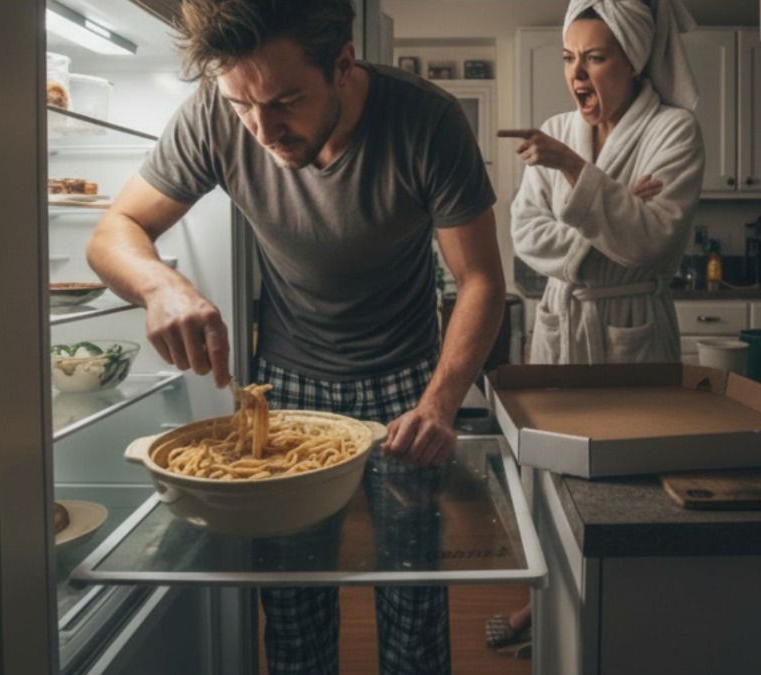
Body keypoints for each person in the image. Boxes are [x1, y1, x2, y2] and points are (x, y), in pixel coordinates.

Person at [85, 1, 506, 673]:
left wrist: (441, 402)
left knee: (412, 596)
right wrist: (160, 285)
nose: (261, 129)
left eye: (285, 101)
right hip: (287, 386)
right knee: (292, 608)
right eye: (243, 106)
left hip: (407, 379)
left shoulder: (427, 120)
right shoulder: (217, 114)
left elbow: (481, 277)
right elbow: (113, 233)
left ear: (343, 64)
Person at [488, 0, 705, 653]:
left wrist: (573, 174)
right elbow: (525, 234)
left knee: (625, 484)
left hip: (631, 325)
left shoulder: (675, 132)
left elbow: (653, 239)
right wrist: (610, 219)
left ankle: (623, 617)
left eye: (596, 57)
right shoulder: (557, 126)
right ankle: (539, 605)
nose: (577, 74)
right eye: (568, 58)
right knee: (547, 475)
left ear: (634, 57)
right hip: (561, 321)